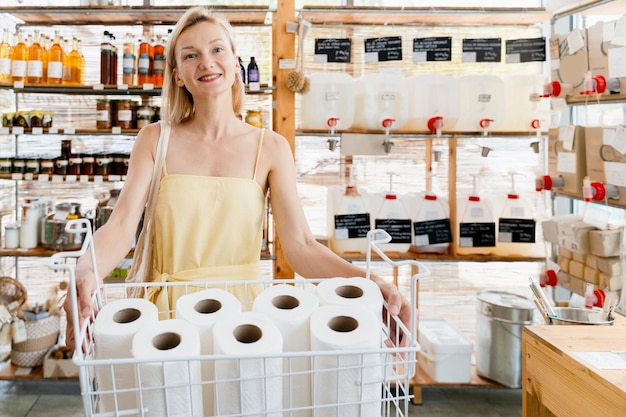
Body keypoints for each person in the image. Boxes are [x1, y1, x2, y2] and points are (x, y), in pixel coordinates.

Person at [63, 6, 411, 349]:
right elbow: (122, 225)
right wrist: (86, 270)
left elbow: (301, 246)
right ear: (177, 75)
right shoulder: (155, 138)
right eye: (190, 55)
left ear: (235, 63)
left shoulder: (270, 147)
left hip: (243, 318)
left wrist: (369, 281)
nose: (206, 62)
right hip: (167, 319)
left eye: (217, 49)